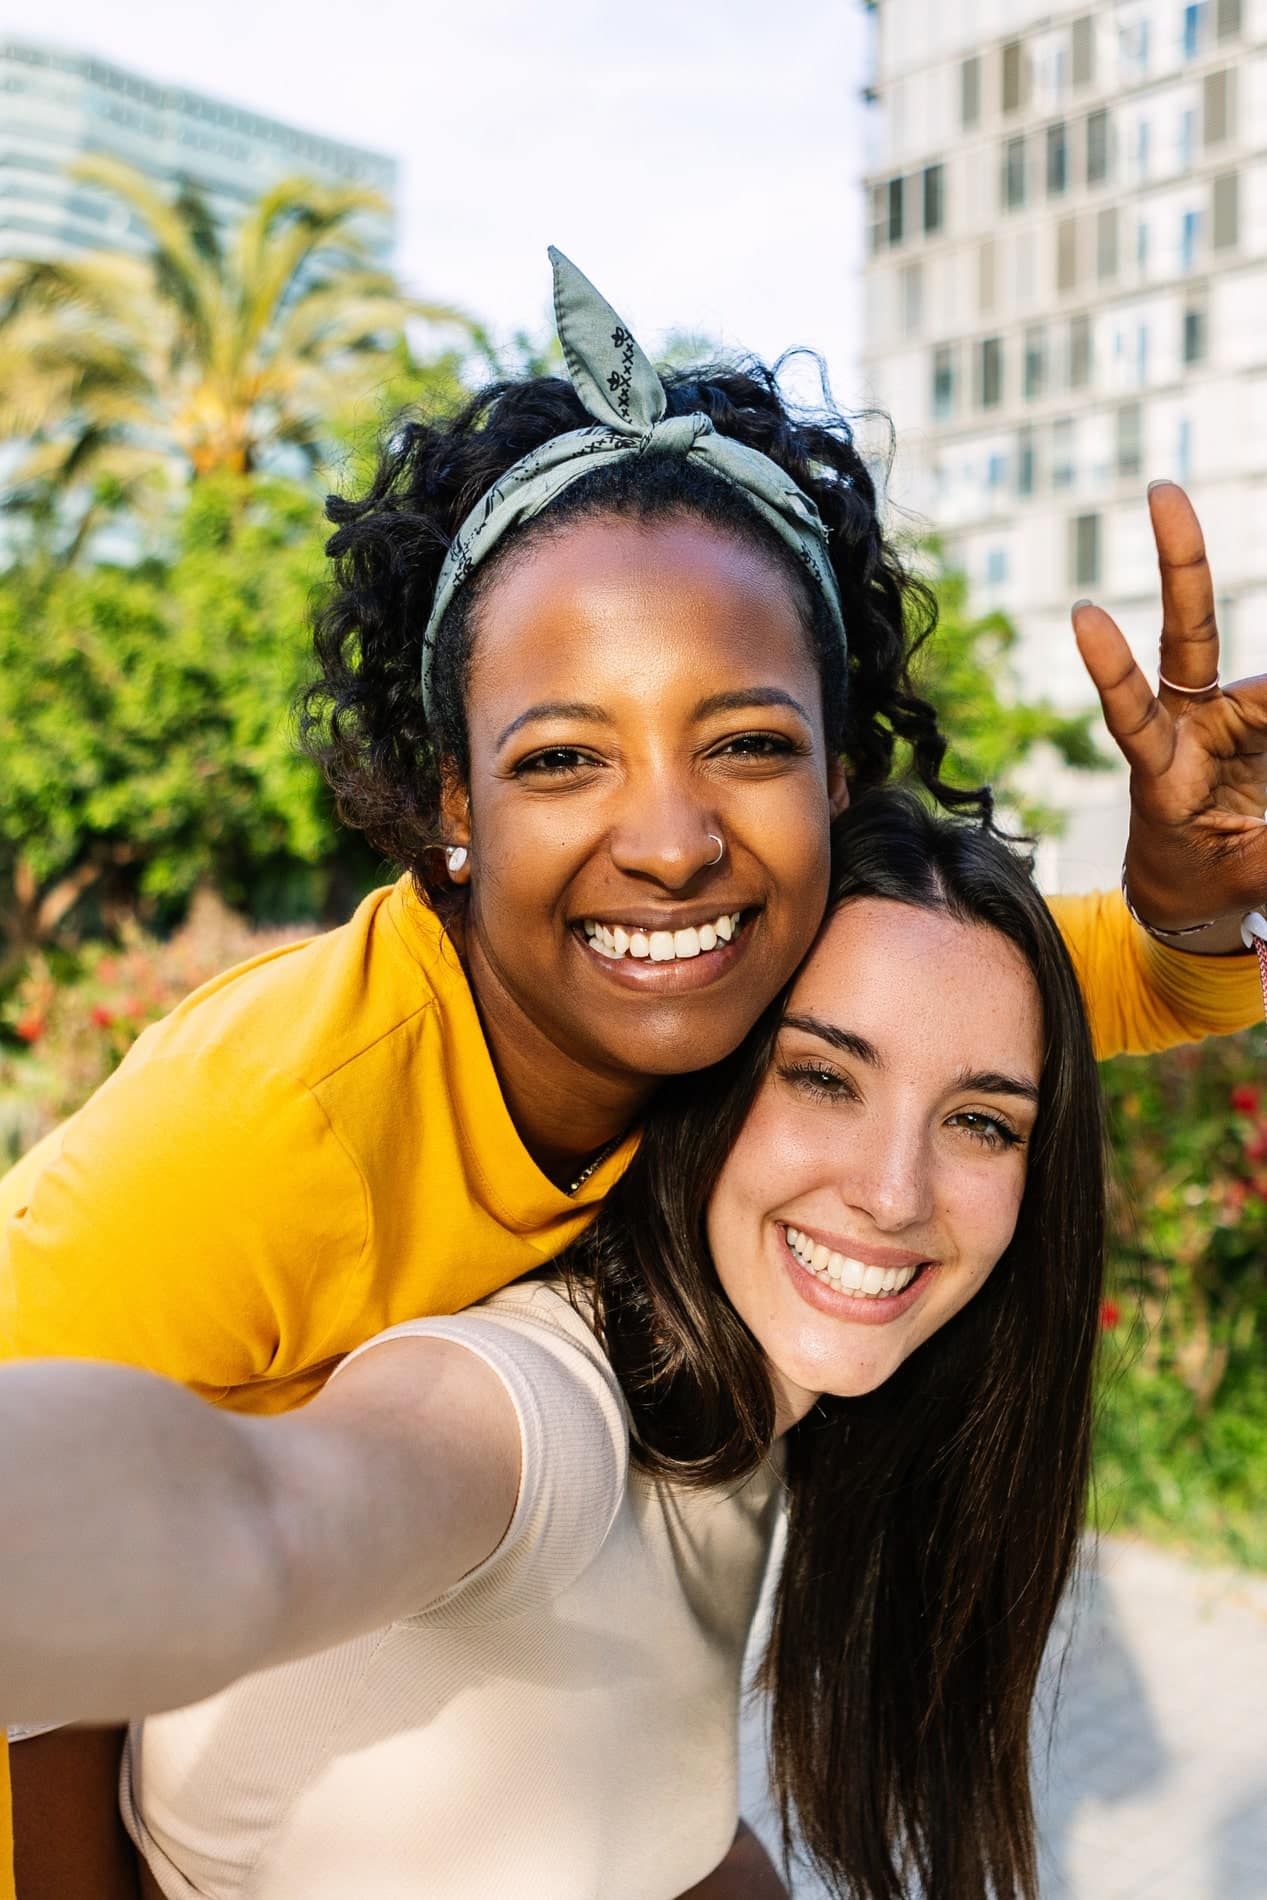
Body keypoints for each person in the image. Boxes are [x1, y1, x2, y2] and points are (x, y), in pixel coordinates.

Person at [1, 251, 1264, 1894]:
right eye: (561, 757)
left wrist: (1188, 907)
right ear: (451, 805)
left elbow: (1019, 1010)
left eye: (744, 744)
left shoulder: (766, 973)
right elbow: (144, 1554)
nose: (670, 842)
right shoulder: (275, 1125)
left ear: (831, 779)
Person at [0, 792, 1104, 1900]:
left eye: (980, 1120)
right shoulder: (539, 1405)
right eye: (822, 1076)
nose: (892, 1191)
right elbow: (271, 1519)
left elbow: (652, 1829)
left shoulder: (753, 1423)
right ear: (707, 1075)